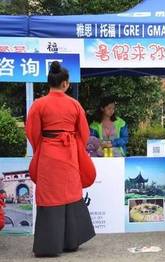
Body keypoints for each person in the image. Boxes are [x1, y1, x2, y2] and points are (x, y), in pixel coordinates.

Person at [26, 61, 96, 257]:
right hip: (70, 152)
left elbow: (32, 132)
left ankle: (48, 245)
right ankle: (71, 242)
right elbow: (83, 132)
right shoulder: (74, 104)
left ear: (50, 82)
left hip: (48, 152)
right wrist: (74, 146)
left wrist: (42, 145)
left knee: (49, 194)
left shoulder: (39, 104)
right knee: (70, 192)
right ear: (65, 83)